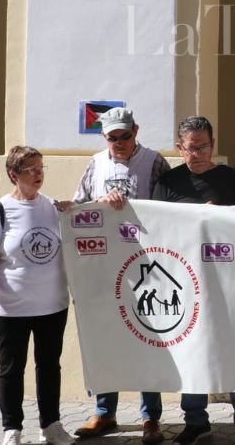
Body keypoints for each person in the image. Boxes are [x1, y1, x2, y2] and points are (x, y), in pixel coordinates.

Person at [153, 116, 235, 445]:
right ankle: (196, 422)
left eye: (204, 146)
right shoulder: (167, 183)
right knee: (192, 350)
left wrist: (217, 215)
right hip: (185, 282)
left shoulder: (229, 178)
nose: (199, 154)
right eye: (192, 148)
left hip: (228, 279)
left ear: (213, 144)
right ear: (180, 148)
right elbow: (157, 229)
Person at [72, 107, 169, 442]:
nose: (119, 143)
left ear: (136, 130)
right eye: (112, 137)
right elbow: (77, 207)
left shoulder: (155, 162)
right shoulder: (96, 163)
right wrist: (99, 202)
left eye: (125, 136)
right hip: (105, 266)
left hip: (145, 266)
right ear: (104, 137)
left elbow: (169, 209)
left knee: (148, 338)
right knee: (106, 337)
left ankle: (151, 418)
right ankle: (104, 412)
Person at [0, 146, 76, 445]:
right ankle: (12, 428)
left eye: (40, 168)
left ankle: (51, 425)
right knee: (11, 370)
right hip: (11, 308)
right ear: (13, 175)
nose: (38, 174)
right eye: (30, 170)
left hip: (52, 305)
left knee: (49, 367)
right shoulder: (0, 211)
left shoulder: (52, 207)